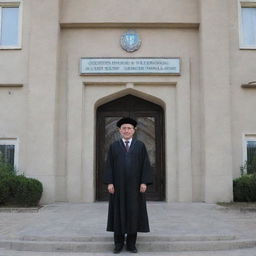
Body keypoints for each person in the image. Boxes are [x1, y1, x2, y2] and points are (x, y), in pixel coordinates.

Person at [103, 117, 153, 254]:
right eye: (124, 128)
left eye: (129, 128)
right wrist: (110, 182)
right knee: (117, 213)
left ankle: (131, 244)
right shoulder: (114, 147)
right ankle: (118, 243)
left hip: (135, 188)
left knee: (133, 213)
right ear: (119, 130)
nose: (126, 130)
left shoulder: (140, 146)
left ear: (134, 130)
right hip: (117, 188)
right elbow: (109, 166)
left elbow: (145, 165)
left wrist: (144, 182)